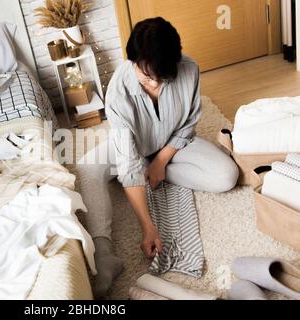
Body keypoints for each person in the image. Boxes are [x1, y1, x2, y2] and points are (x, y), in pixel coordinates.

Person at [76, 17, 239, 298]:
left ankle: (155, 170)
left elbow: (188, 124)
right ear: (133, 62)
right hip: (133, 147)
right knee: (87, 168)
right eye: (146, 75)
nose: (153, 82)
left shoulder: (189, 69)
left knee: (228, 176)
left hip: (172, 143)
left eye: (160, 77)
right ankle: (104, 254)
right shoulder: (118, 91)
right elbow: (127, 162)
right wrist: (148, 227)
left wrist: (161, 161)